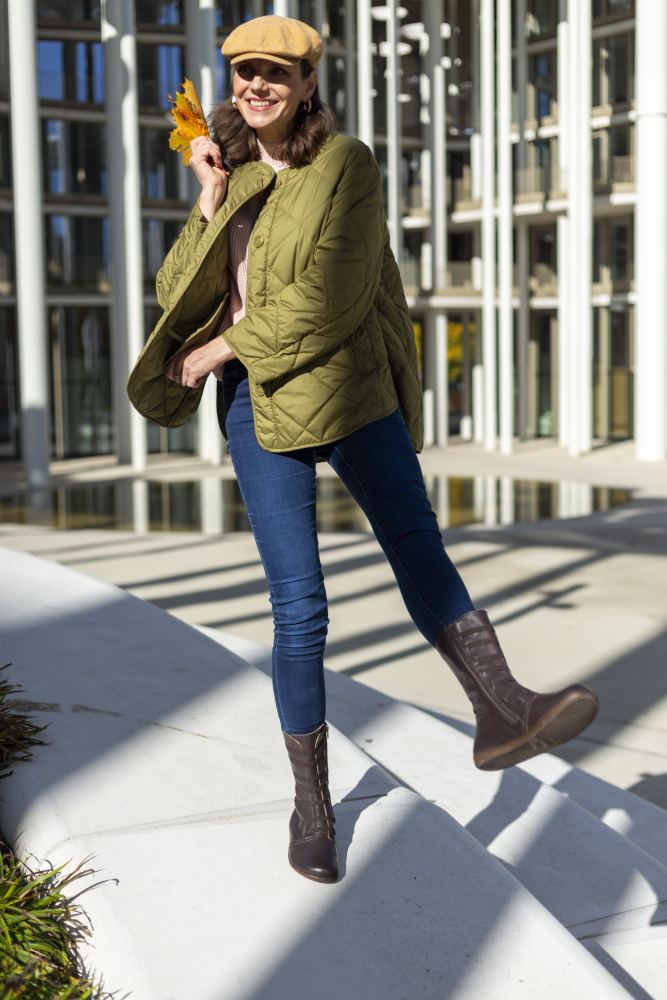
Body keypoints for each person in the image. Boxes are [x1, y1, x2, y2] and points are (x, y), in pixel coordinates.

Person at [143, 14, 600, 885]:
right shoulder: (230, 174)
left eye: (275, 71)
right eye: (243, 71)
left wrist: (211, 351)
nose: (256, 85)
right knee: (298, 607)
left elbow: (328, 293)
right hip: (259, 405)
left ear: (308, 83)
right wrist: (206, 203)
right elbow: (176, 293)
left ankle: (503, 710)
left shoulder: (346, 164)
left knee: (415, 546)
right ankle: (312, 808)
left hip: (351, 387)